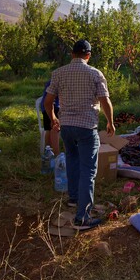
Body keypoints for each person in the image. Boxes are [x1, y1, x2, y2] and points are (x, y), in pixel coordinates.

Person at [44, 40, 115, 231]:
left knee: (72, 159)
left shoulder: (58, 73)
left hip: (66, 126)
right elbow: (105, 101)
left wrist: (53, 118)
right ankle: (82, 218)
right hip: (86, 128)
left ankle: (74, 198)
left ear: (71, 53)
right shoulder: (95, 73)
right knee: (88, 170)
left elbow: (48, 100)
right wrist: (110, 122)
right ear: (88, 55)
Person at [40, 80, 60, 155]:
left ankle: (49, 151)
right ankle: (52, 152)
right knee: (52, 127)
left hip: (56, 106)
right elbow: (49, 101)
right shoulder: (54, 82)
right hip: (49, 106)